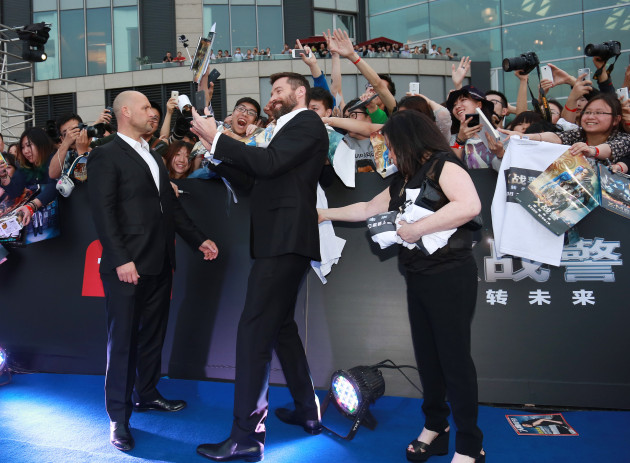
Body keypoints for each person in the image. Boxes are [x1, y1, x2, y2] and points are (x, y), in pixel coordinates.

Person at [318, 110, 485, 463]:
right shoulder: (403, 179)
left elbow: (470, 205)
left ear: (407, 141)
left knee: (453, 359)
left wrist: (416, 229)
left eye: (391, 146)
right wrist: (324, 213)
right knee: (428, 357)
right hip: (418, 275)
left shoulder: (444, 165)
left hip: (450, 275)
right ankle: (436, 426)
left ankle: (470, 444)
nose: (389, 153)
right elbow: (367, 208)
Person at [190, 72, 328, 462]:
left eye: (280, 90)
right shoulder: (283, 130)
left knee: (253, 333)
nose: (273, 96)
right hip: (280, 240)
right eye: (272, 91)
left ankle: (247, 437)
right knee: (281, 328)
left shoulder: (307, 121)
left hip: (285, 240)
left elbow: (268, 164)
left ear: (300, 92)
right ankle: (308, 410)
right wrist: (216, 154)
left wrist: (220, 138)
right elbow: (254, 183)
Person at [87, 90, 219, 452]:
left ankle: (146, 393)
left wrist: (198, 239)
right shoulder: (105, 154)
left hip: (160, 262)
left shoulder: (153, 156)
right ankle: (118, 417)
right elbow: (102, 211)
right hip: (127, 266)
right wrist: (121, 259)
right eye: (146, 107)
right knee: (123, 343)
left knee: (152, 337)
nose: (153, 113)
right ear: (126, 112)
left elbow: (170, 209)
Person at [501, 92, 630, 164]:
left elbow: (610, 148)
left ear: (616, 119)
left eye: (599, 113)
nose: (591, 117)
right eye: (587, 112)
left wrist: (591, 150)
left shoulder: (624, 139)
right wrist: (524, 136)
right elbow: (556, 137)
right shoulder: (578, 134)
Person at [12, 127, 57, 226]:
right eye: (22, 147)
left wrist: (31, 206)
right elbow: (13, 187)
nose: (25, 151)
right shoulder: (25, 169)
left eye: (29, 145)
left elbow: (54, 185)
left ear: (41, 144)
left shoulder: (54, 161)